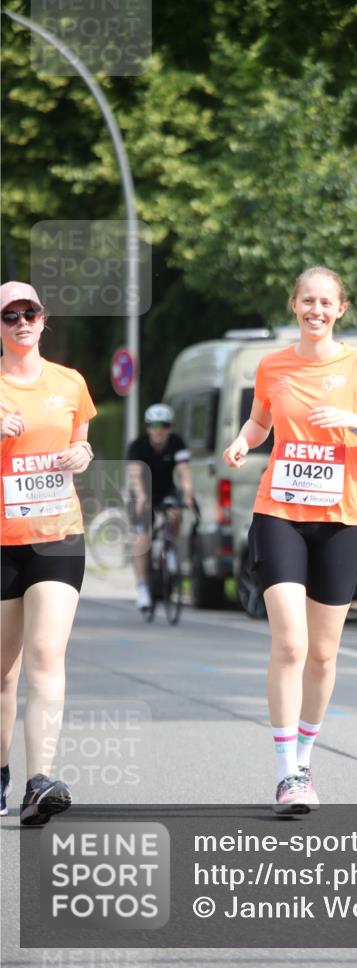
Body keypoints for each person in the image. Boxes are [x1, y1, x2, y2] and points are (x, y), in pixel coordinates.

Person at [224, 266, 357, 815]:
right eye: (308, 301)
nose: (316, 310)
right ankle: (286, 773)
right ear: (294, 305)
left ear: (340, 309)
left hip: (340, 521)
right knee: (292, 644)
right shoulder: (272, 365)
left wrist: (352, 421)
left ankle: (304, 757)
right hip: (279, 513)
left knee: (322, 655)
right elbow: (259, 424)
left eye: (326, 302)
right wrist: (242, 442)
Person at [0, 281, 96, 826]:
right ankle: (1, 773)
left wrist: (82, 454)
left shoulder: (69, 381)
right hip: (1, 541)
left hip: (58, 535)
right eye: (9, 315)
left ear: (42, 319)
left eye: (29, 313)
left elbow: (80, 442)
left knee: (44, 653)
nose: (21, 322)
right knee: (3, 672)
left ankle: (39, 781)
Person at [126, 403, 193, 611]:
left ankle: (169, 546)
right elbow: (135, 475)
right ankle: (143, 588)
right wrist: (141, 496)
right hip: (142, 492)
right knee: (142, 538)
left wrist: (188, 496)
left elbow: (184, 471)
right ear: (148, 427)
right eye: (154, 425)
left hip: (165, 490)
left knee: (175, 514)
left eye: (164, 425)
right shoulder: (138, 445)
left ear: (169, 427)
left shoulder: (176, 442)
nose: (159, 430)